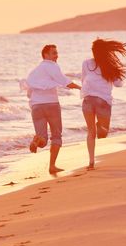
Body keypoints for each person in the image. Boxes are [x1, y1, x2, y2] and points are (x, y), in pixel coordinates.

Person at [21, 44, 81, 174]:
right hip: (51, 105)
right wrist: (81, 88)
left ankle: (36, 141)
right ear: (46, 55)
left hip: (36, 107)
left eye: (56, 53)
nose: (56, 55)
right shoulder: (52, 66)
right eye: (54, 53)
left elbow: (29, 93)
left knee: (43, 139)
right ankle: (52, 166)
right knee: (56, 136)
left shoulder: (34, 71)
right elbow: (64, 81)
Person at [81, 38, 126, 170]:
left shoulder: (86, 64)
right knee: (102, 133)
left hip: (88, 100)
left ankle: (91, 162)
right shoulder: (110, 66)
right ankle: (91, 161)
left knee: (91, 132)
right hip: (102, 101)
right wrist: (119, 75)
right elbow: (119, 84)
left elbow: (83, 80)